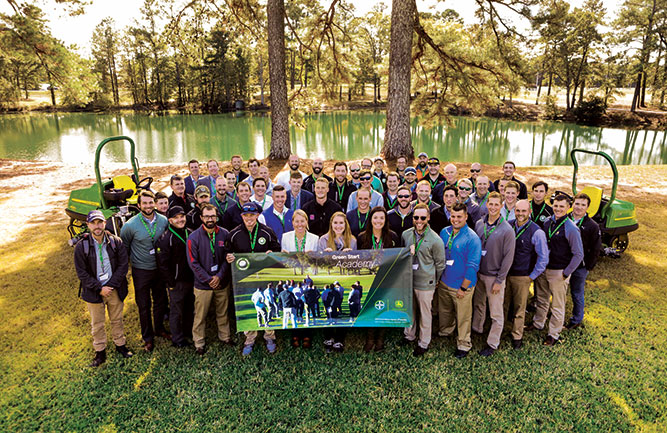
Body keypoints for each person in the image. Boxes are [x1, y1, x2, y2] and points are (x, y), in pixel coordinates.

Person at [74, 210, 133, 367]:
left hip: (114, 289)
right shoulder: (82, 247)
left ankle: (120, 345)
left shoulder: (116, 242)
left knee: (117, 319)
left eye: (100, 222)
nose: (97, 226)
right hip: (94, 292)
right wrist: (99, 288)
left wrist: (111, 285)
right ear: (88, 225)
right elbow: (82, 273)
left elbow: (123, 265)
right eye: (93, 223)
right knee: (97, 323)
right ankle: (100, 351)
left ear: (105, 223)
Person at [525, 194, 584, 346]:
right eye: (556, 206)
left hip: (559, 271)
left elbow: (578, 254)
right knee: (542, 299)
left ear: (568, 208)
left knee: (557, 304)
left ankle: (554, 333)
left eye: (561, 207)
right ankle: (538, 323)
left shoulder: (571, 228)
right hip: (544, 268)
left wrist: (566, 272)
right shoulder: (548, 223)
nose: (558, 209)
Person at [226, 202, 281, 355]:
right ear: (242, 216)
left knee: (268, 304)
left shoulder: (267, 232)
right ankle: (250, 338)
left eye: (252, 215)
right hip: (244, 279)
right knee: (250, 307)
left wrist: (272, 252)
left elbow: (277, 249)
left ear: (257, 215)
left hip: (264, 278)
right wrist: (229, 257)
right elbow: (227, 251)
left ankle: (270, 336)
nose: (249, 218)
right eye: (246, 215)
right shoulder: (234, 234)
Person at [120, 190, 169, 352]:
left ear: (154, 203)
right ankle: (147, 337)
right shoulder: (130, 226)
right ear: (139, 205)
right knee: (144, 305)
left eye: (150, 203)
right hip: (141, 270)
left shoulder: (163, 220)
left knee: (160, 301)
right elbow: (124, 248)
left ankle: (159, 328)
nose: (148, 206)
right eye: (145, 203)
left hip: (159, 269)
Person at [397, 204, 445, 356]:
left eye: (423, 218)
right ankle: (409, 335)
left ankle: (423, 342)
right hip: (409, 279)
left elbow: (440, 264)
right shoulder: (406, 235)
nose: (419, 221)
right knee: (409, 310)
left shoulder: (435, 240)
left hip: (425, 282)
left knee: (425, 314)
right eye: (416, 217)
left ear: (428, 218)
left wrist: (435, 280)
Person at [471, 192, 515, 356]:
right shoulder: (479, 224)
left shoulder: (507, 230)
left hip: (494, 276)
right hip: (479, 274)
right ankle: (477, 329)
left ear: (501, 206)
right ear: (487, 205)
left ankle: (493, 343)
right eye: (491, 204)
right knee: (479, 304)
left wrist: (500, 280)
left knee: (496, 312)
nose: (494, 207)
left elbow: (508, 258)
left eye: (497, 204)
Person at [437, 202, 481, 359]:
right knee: (445, 312)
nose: (455, 219)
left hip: (462, 286)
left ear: (466, 217)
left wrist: (463, 288)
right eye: (453, 216)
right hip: (444, 282)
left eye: (459, 217)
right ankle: (446, 331)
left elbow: (473, 266)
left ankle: (463, 344)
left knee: (463, 317)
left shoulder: (472, 238)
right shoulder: (444, 232)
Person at [187, 203, 232, 354]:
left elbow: (228, 258)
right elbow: (193, 263)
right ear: (201, 218)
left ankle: (225, 336)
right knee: (200, 315)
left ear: (217, 216)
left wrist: (219, 276)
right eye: (206, 216)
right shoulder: (193, 237)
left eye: (212, 216)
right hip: (202, 285)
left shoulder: (225, 234)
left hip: (221, 282)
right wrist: (208, 279)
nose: (210, 219)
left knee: (222, 311)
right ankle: (199, 342)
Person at [504, 200, 549, 349]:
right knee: (503, 305)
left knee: (519, 308)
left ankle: (517, 336)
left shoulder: (537, 232)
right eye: (518, 211)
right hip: (505, 275)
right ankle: (501, 331)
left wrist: (531, 277)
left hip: (522, 276)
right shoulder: (508, 225)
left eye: (524, 211)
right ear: (514, 211)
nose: (520, 214)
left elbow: (543, 258)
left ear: (529, 212)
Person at [357, 206, 399, 352]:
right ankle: (369, 339)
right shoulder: (362, 237)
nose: (378, 221)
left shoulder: (393, 236)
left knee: (383, 307)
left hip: (386, 278)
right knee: (369, 307)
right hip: (368, 279)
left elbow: (397, 258)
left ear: (385, 220)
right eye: (375, 218)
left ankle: (380, 339)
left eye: (381, 218)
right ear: (371, 220)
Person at [318, 211, 357, 353]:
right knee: (328, 305)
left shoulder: (352, 240)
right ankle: (328, 336)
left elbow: (357, 263)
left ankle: (340, 338)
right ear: (331, 224)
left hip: (344, 278)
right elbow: (318, 263)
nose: (338, 226)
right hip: (328, 277)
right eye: (335, 223)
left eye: (341, 223)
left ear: (345, 224)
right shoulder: (323, 240)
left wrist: (350, 255)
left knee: (341, 305)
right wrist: (324, 256)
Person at [156, 206, 195, 348]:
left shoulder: (190, 233)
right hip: (176, 282)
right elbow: (162, 264)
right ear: (170, 220)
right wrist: (170, 282)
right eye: (176, 218)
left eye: (182, 216)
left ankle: (188, 332)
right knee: (176, 311)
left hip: (191, 279)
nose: (180, 220)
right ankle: (178, 339)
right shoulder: (166, 239)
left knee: (189, 308)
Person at [280, 209, 319, 348]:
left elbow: (317, 260)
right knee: (295, 304)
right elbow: (284, 260)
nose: (300, 224)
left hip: (308, 276)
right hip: (293, 276)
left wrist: (313, 255)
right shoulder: (285, 237)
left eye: (302, 221)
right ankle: (295, 334)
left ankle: (307, 335)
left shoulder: (315, 238)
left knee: (307, 304)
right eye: (297, 221)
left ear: (306, 222)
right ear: (292, 223)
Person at [566, 193, 602, 330]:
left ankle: (576, 319)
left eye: (583, 205)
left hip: (580, 267)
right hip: (563, 263)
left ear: (587, 207)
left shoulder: (592, 226)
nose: (579, 207)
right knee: (559, 292)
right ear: (572, 204)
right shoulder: (565, 219)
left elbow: (596, 249)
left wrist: (588, 266)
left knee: (576, 292)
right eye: (577, 203)